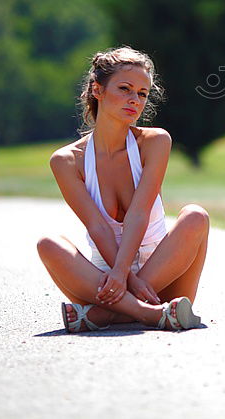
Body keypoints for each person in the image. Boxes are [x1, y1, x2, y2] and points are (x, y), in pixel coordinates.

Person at [36, 46, 209, 332]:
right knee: (48, 245)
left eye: (142, 93)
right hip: (105, 280)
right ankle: (151, 315)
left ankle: (105, 316)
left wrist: (129, 277)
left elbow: (139, 214)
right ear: (97, 89)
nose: (135, 100)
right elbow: (97, 227)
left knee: (195, 216)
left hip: (164, 277)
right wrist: (122, 275)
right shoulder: (67, 161)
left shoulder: (155, 142)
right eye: (125, 89)